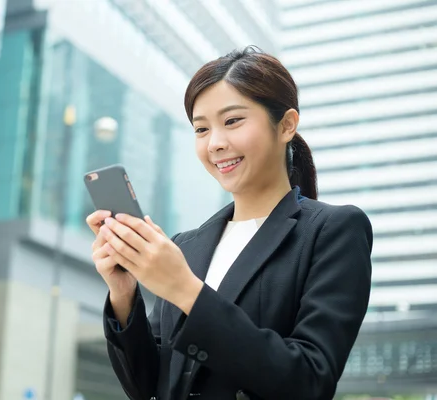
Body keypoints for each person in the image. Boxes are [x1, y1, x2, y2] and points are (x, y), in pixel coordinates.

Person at [85, 47, 372, 400]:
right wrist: (124, 293)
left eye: (232, 121)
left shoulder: (333, 230)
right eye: (201, 128)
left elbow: (309, 380)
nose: (216, 143)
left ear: (286, 125)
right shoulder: (185, 246)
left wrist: (184, 289)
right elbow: (148, 387)